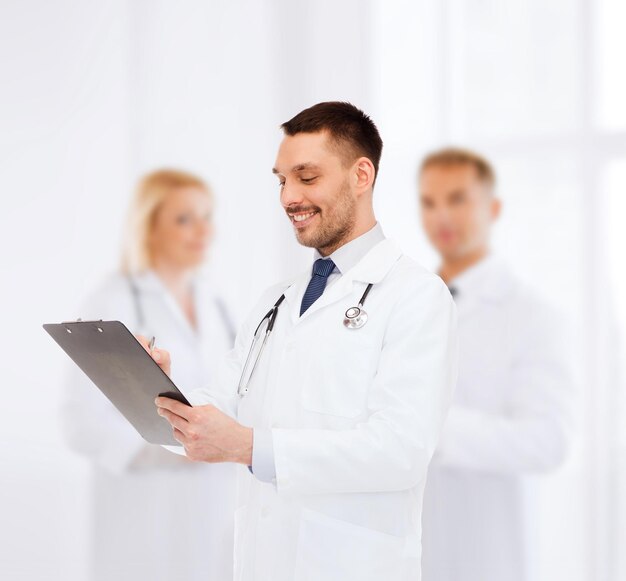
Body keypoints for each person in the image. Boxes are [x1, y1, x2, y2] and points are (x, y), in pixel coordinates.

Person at [143, 102, 458, 581]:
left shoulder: (415, 296)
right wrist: (159, 391)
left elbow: (401, 452)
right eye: (281, 180)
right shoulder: (277, 302)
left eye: (306, 178)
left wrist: (252, 449)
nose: (289, 197)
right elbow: (221, 408)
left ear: (361, 175)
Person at [61, 169, 237, 581]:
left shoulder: (216, 303)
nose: (203, 230)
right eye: (184, 219)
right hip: (141, 504)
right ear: (149, 226)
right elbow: (78, 421)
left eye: (207, 216)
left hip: (211, 502)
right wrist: (158, 451)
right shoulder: (113, 298)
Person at [417, 148, 575, 581]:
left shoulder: (532, 315)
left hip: (487, 554)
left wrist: (431, 430)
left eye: (457, 199)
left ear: (494, 208)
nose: (442, 217)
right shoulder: (407, 305)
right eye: (429, 203)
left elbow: (549, 440)